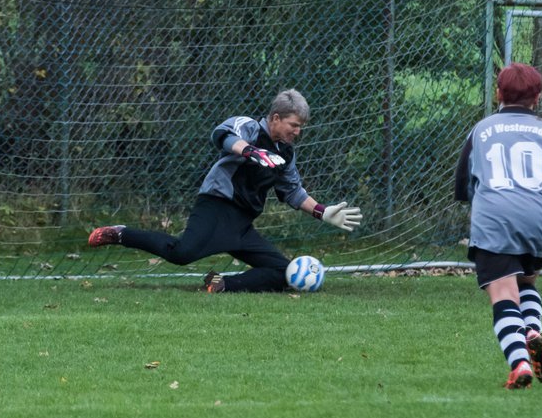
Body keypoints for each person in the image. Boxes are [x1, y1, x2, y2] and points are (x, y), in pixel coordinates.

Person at [86, 89, 362, 293]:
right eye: (294, 125)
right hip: (217, 206)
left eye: (301, 127)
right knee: (181, 253)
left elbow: (292, 192)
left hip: (242, 224)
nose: (298, 132)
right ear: (276, 118)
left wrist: (323, 212)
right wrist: (251, 151)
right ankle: (121, 233)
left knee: (284, 273)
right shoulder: (251, 128)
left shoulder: (285, 153)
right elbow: (223, 135)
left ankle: (221, 284)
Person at [454, 63, 542, 391]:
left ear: (498, 94)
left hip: (497, 217)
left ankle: (519, 363)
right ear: (537, 97)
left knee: (502, 294)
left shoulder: (481, 130)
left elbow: (462, 184)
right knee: (526, 282)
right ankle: (533, 332)